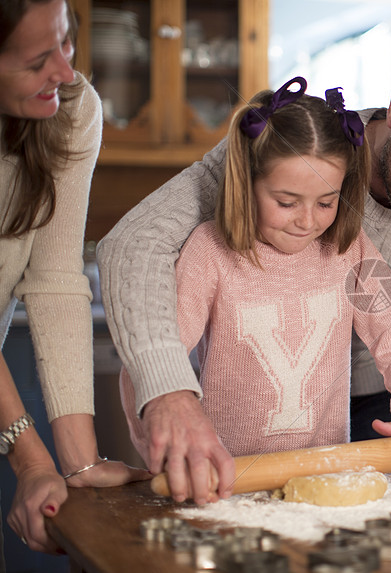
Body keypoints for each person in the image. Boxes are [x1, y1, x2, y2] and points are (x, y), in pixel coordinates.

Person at [97, 32, 391, 505]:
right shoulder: (299, 152)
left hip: (385, 416)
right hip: (237, 424)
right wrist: (168, 390)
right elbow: (134, 242)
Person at [118, 78, 391, 498]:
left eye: (326, 203)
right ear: (247, 183)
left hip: (326, 480)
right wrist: (161, 448)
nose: (307, 221)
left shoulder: (355, 250)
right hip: (226, 482)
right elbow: (151, 359)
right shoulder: (208, 251)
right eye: (287, 202)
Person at [0, 0, 148, 560]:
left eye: (65, 43)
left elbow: (55, 279)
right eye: (38, 58)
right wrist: (33, 462)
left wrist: (78, 464)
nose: (65, 73)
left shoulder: (70, 105)